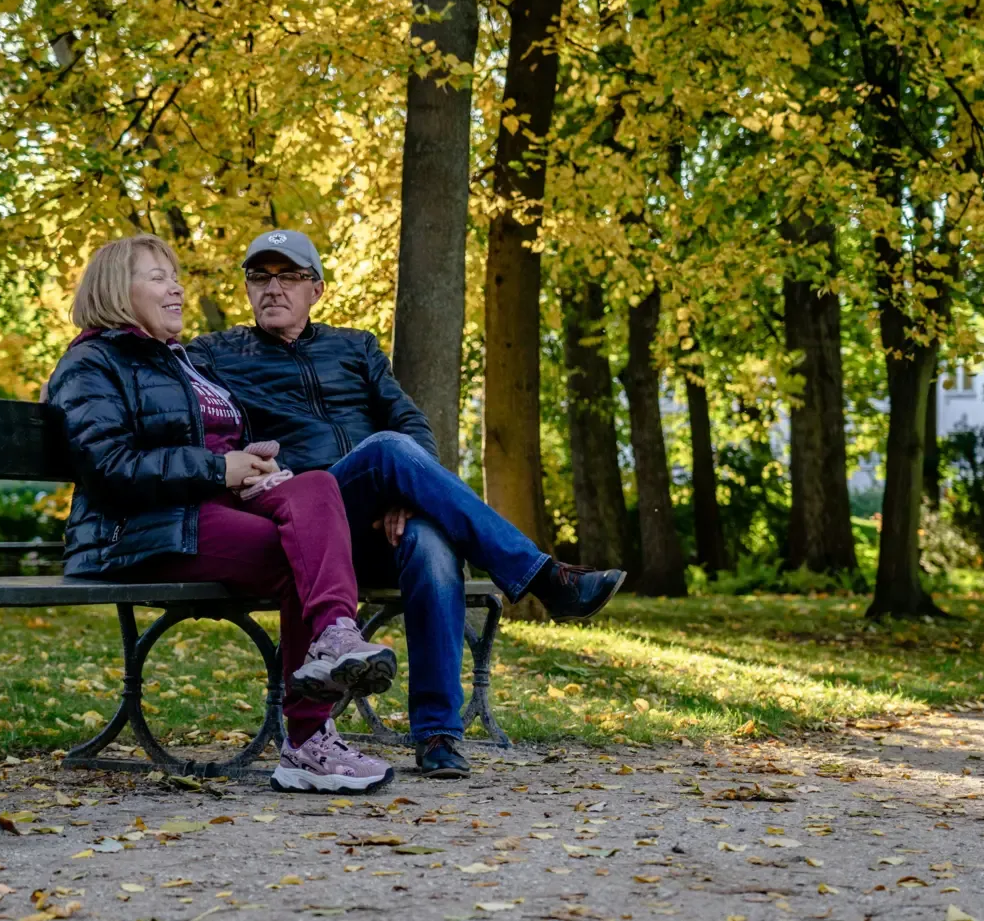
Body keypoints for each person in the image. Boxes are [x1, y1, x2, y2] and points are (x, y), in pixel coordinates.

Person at [189, 229, 627, 779]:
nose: (272, 288)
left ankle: (438, 735)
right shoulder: (216, 354)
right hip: (309, 519)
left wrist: (405, 496)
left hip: (372, 520)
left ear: (316, 290)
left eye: (289, 276)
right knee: (388, 451)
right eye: (260, 277)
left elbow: (411, 423)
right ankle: (542, 578)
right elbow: (209, 433)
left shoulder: (355, 347)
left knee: (430, 542)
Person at [47, 233, 396, 795]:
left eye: (175, 275)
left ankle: (336, 633)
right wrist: (220, 471)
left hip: (210, 505)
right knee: (295, 555)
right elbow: (108, 466)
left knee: (316, 488)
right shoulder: (92, 363)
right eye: (158, 276)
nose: (177, 287)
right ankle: (309, 743)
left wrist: (250, 461)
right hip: (139, 530)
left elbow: (215, 440)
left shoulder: (181, 361)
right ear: (117, 289)